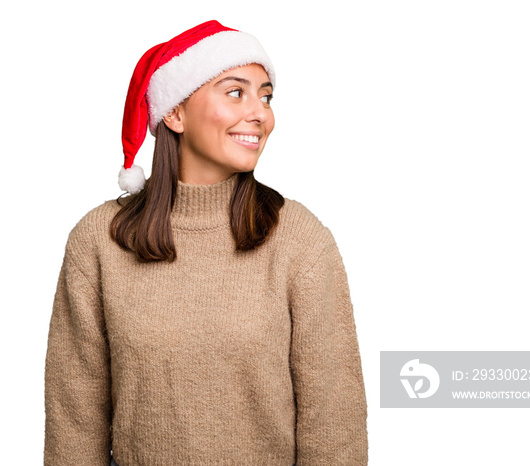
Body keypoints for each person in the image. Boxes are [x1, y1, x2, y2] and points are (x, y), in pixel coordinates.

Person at [44, 20, 368, 466]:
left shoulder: (300, 240)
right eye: (236, 92)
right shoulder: (98, 241)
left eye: (266, 95)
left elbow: (335, 423)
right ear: (174, 113)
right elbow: (74, 422)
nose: (261, 113)